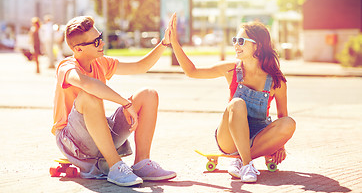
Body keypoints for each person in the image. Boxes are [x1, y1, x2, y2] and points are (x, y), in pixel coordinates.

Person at [53, 15, 176, 187]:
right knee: (89, 96)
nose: (102, 43)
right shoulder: (66, 67)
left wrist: (164, 43)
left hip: (98, 135)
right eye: (96, 41)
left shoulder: (100, 62)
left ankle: (142, 163)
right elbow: (88, 84)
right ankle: (115, 166)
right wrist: (125, 103)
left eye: (100, 37)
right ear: (79, 49)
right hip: (73, 141)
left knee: (149, 94)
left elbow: (140, 66)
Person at [169, 18, 296, 183]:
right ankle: (246, 164)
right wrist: (174, 43)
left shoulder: (276, 81)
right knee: (237, 103)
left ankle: (240, 158)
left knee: (289, 123)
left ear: (257, 46)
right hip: (228, 138)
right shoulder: (231, 69)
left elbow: (282, 116)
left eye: (241, 41)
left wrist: (280, 145)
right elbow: (192, 71)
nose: (236, 45)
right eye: (235, 40)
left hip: (257, 136)